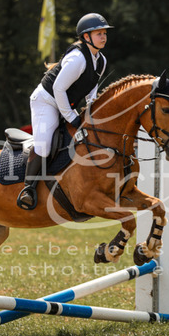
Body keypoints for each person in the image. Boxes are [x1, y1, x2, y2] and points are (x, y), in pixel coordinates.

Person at [17, 13, 113, 210]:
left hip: (64, 103)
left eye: (104, 33)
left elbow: (91, 87)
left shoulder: (101, 60)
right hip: (46, 101)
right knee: (44, 145)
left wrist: (92, 109)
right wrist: (71, 117)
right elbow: (58, 89)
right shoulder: (77, 58)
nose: (103, 37)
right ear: (86, 37)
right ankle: (28, 189)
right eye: (99, 34)